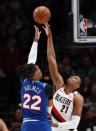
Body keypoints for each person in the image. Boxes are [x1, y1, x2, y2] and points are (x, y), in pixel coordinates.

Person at [43, 23, 84, 131]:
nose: (72, 77)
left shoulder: (77, 97)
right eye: (73, 76)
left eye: (76, 78)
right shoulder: (59, 84)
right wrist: (49, 37)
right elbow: (51, 59)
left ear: (78, 86)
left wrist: (56, 125)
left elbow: (74, 124)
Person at [18, 25, 53, 131]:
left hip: (27, 124)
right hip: (42, 123)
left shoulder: (24, 82)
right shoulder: (46, 86)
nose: (40, 70)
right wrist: (49, 115)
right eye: (38, 69)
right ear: (34, 74)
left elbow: (31, 60)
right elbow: (49, 107)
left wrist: (35, 40)